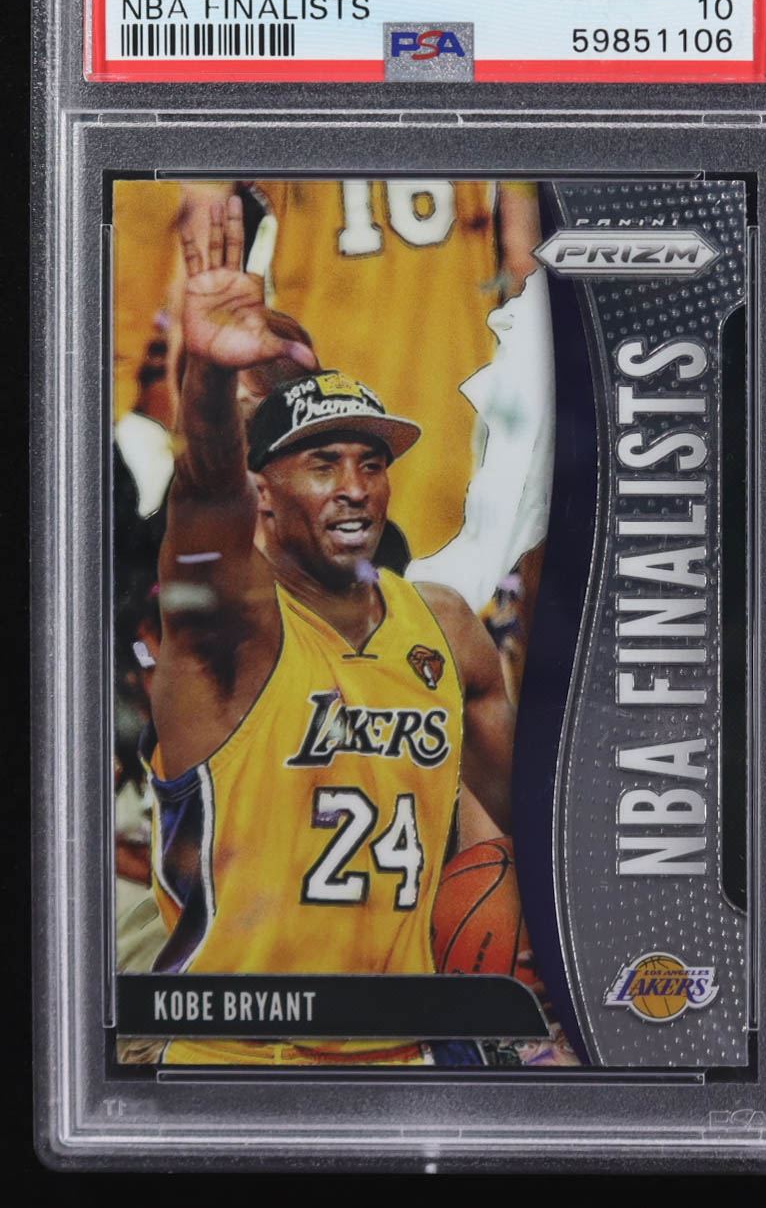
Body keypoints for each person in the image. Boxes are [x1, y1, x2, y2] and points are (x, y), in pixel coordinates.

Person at [145, 198, 515, 1066]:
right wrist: (207, 380)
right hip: (237, 1063)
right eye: (322, 462)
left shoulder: (446, 629)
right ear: (263, 489)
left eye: (371, 462)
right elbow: (204, 496)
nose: (354, 485)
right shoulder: (226, 629)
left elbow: (521, 822)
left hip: (407, 1061)